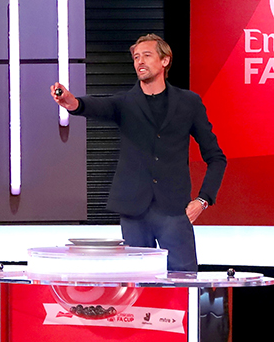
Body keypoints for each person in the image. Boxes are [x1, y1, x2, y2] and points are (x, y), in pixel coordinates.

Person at [50, 34, 225, 272]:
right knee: (138, 280)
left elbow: (216, 158)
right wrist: (72, 103)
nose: (139, 61)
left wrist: (203, 200)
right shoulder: (125, 103)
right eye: (136, 57)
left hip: (174, 210)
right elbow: (95, 106)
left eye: (147, 55)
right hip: (134, 211)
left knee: (184, 279)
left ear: (165, 60)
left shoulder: (189, 103)